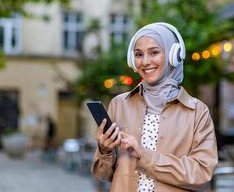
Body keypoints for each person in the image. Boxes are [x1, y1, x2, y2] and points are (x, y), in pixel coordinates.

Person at [91, 22, 218, 191]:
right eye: (138, 54)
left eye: (154, 52)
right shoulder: (119, 104)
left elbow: (202, 173)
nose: (145, 61)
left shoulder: (197, 111)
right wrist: (105, 150)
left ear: (174, 55)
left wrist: (143, 154)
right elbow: (101, 175)